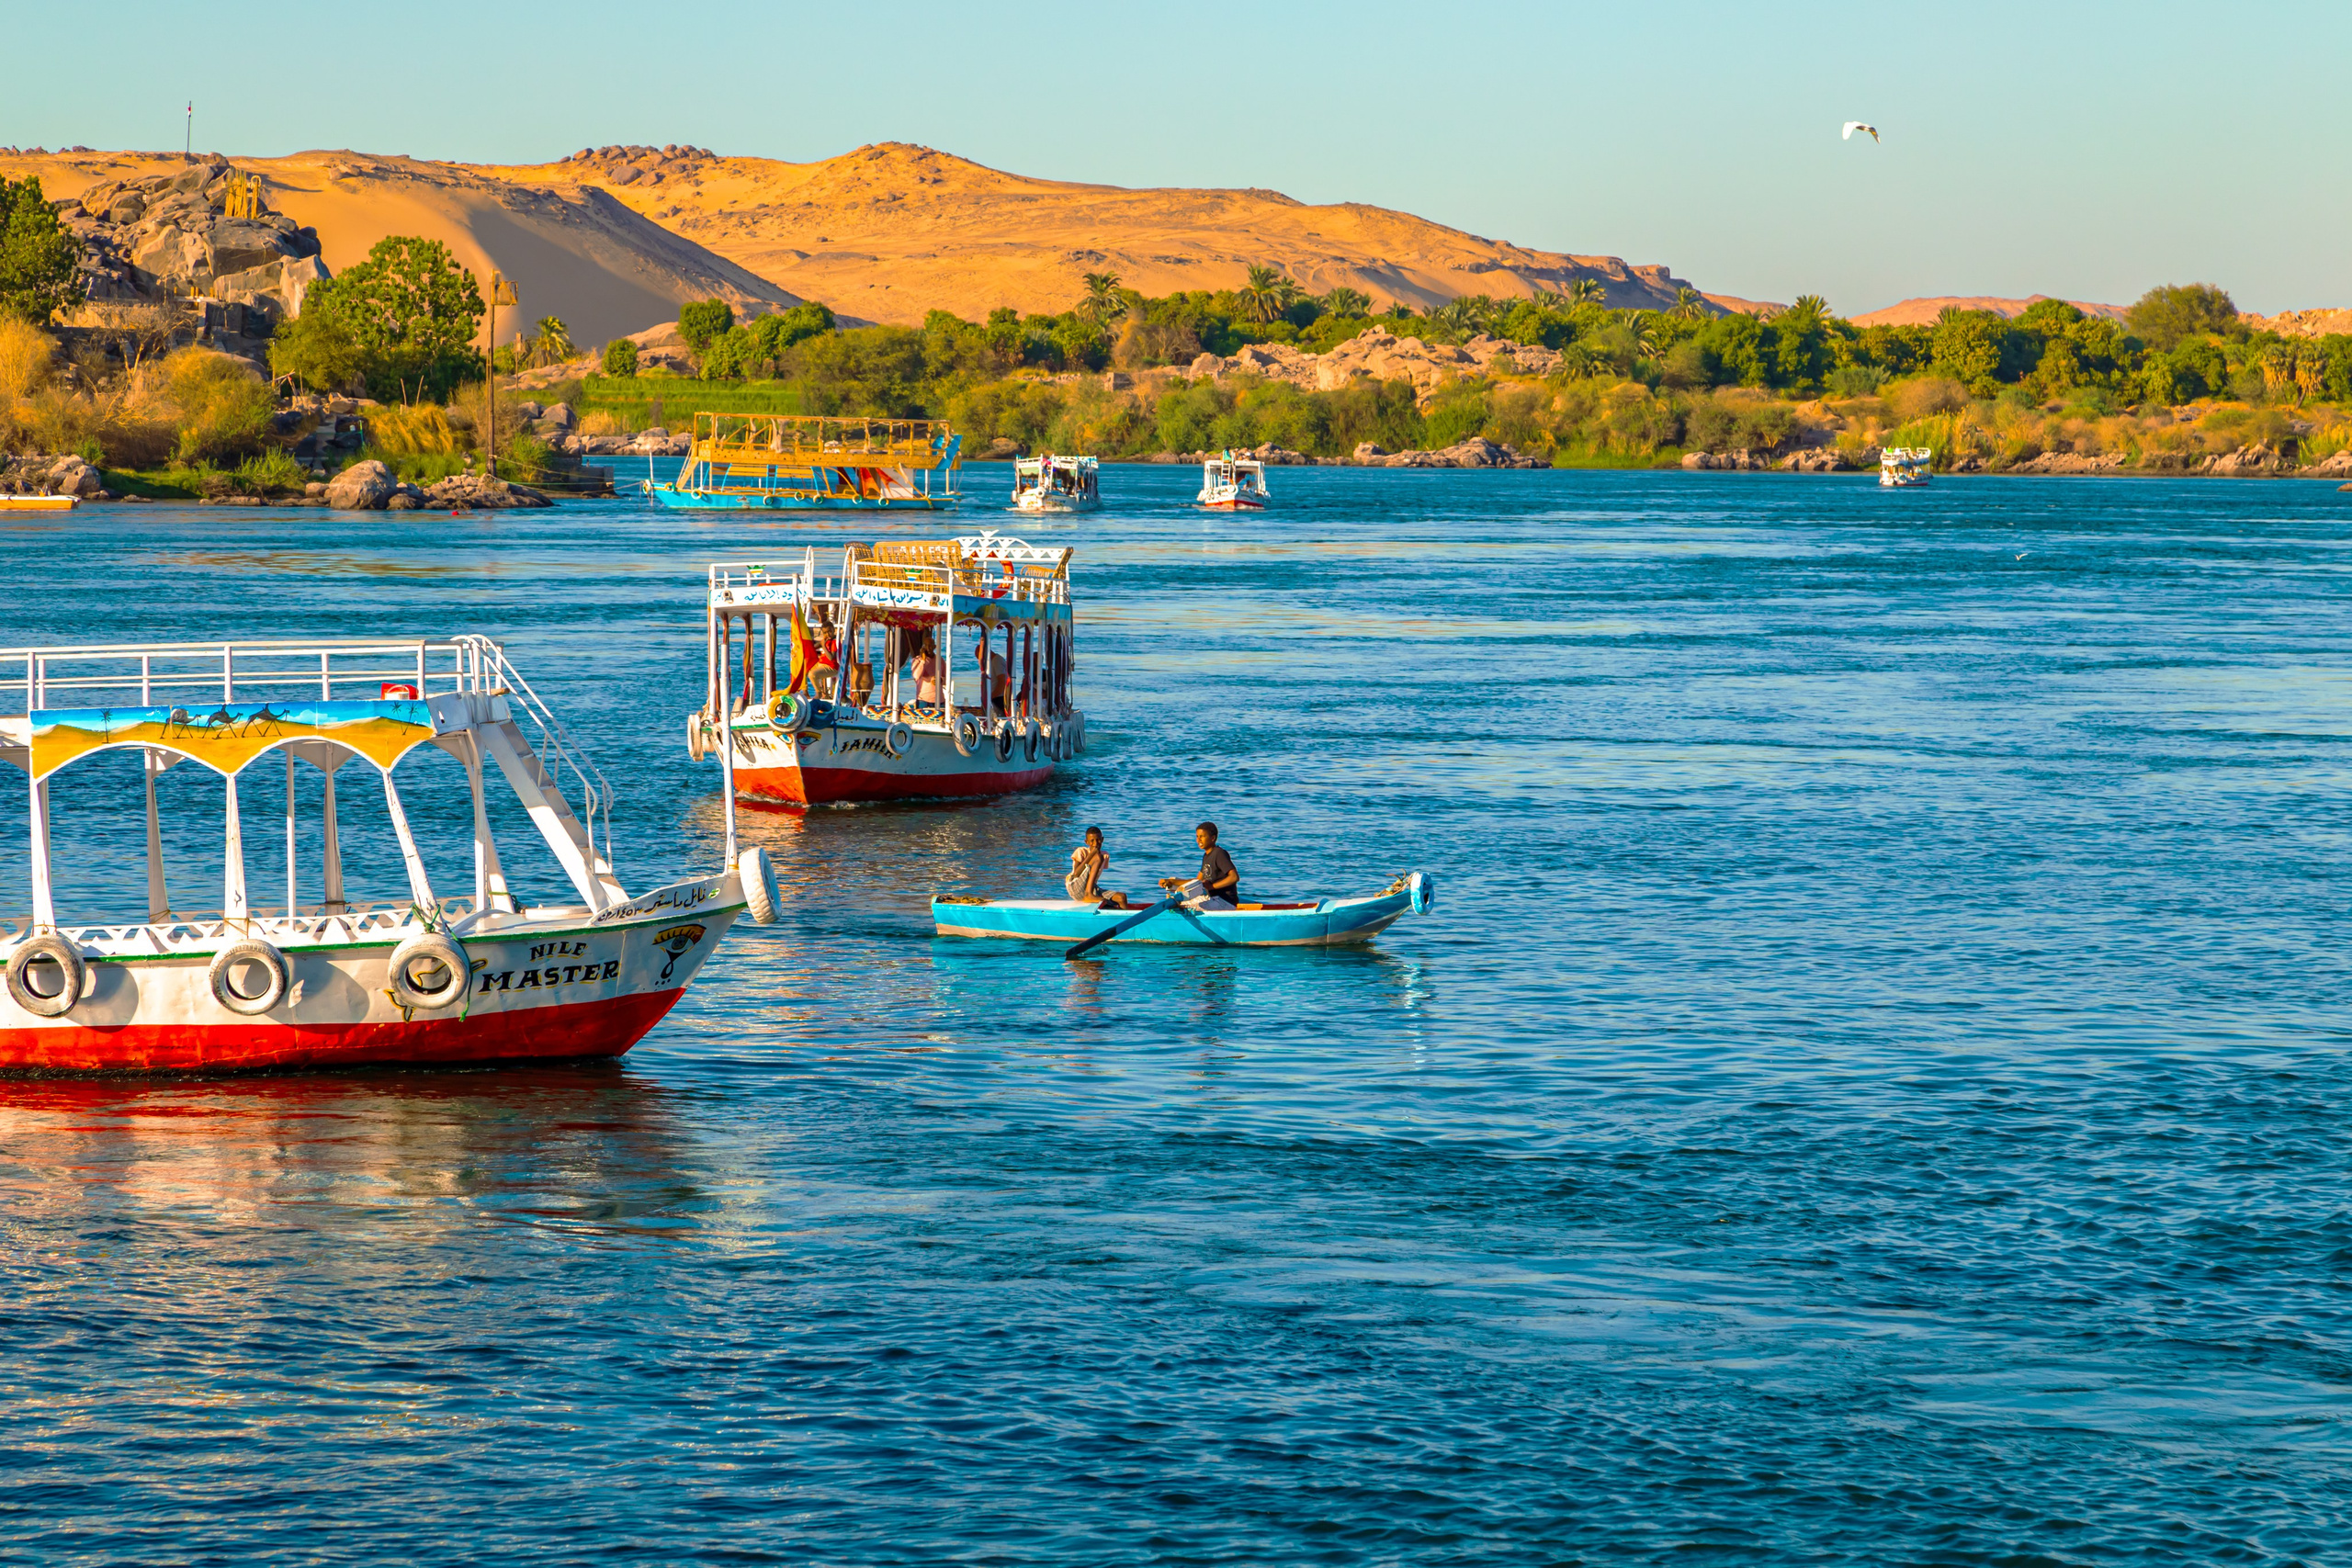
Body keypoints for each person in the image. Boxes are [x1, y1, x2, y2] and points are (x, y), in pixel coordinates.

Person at [1160, 821, 1240, 910]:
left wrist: (1211, 887)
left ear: (1212, 838)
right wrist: (1172, 882)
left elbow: (1234, 877)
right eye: (1197, 837)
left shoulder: (1219, 853)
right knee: (1177, 903)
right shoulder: (1206, 856)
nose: (1198, 840)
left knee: (1184, 907)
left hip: (1225, 901)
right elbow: (1197, 881)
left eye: (1202, 837)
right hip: (1212, 899)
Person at [1067, 827, 1131, 908]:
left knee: (1122, 897)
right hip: (1075, 887)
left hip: (1091, 887)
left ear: (1102, 839)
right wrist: (1091, 855)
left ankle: (1124, 918)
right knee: (1098, 857)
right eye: (1092, 841)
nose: (1096, 843)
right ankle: (1089, 894)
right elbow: (1076, 874)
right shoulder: (1081, 851)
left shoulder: (1105, 855)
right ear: (1086, 842)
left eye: (1098, 840)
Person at [908, 635, 943, 708]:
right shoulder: (917, 660)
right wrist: (923, 660)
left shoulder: (940, 660)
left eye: (930, 646)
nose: (928, 648)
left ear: (934, 647)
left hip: (939, 699)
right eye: (926, 646)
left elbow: (946, 677)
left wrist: (941, 679)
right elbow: (916, 675)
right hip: (923, 699)